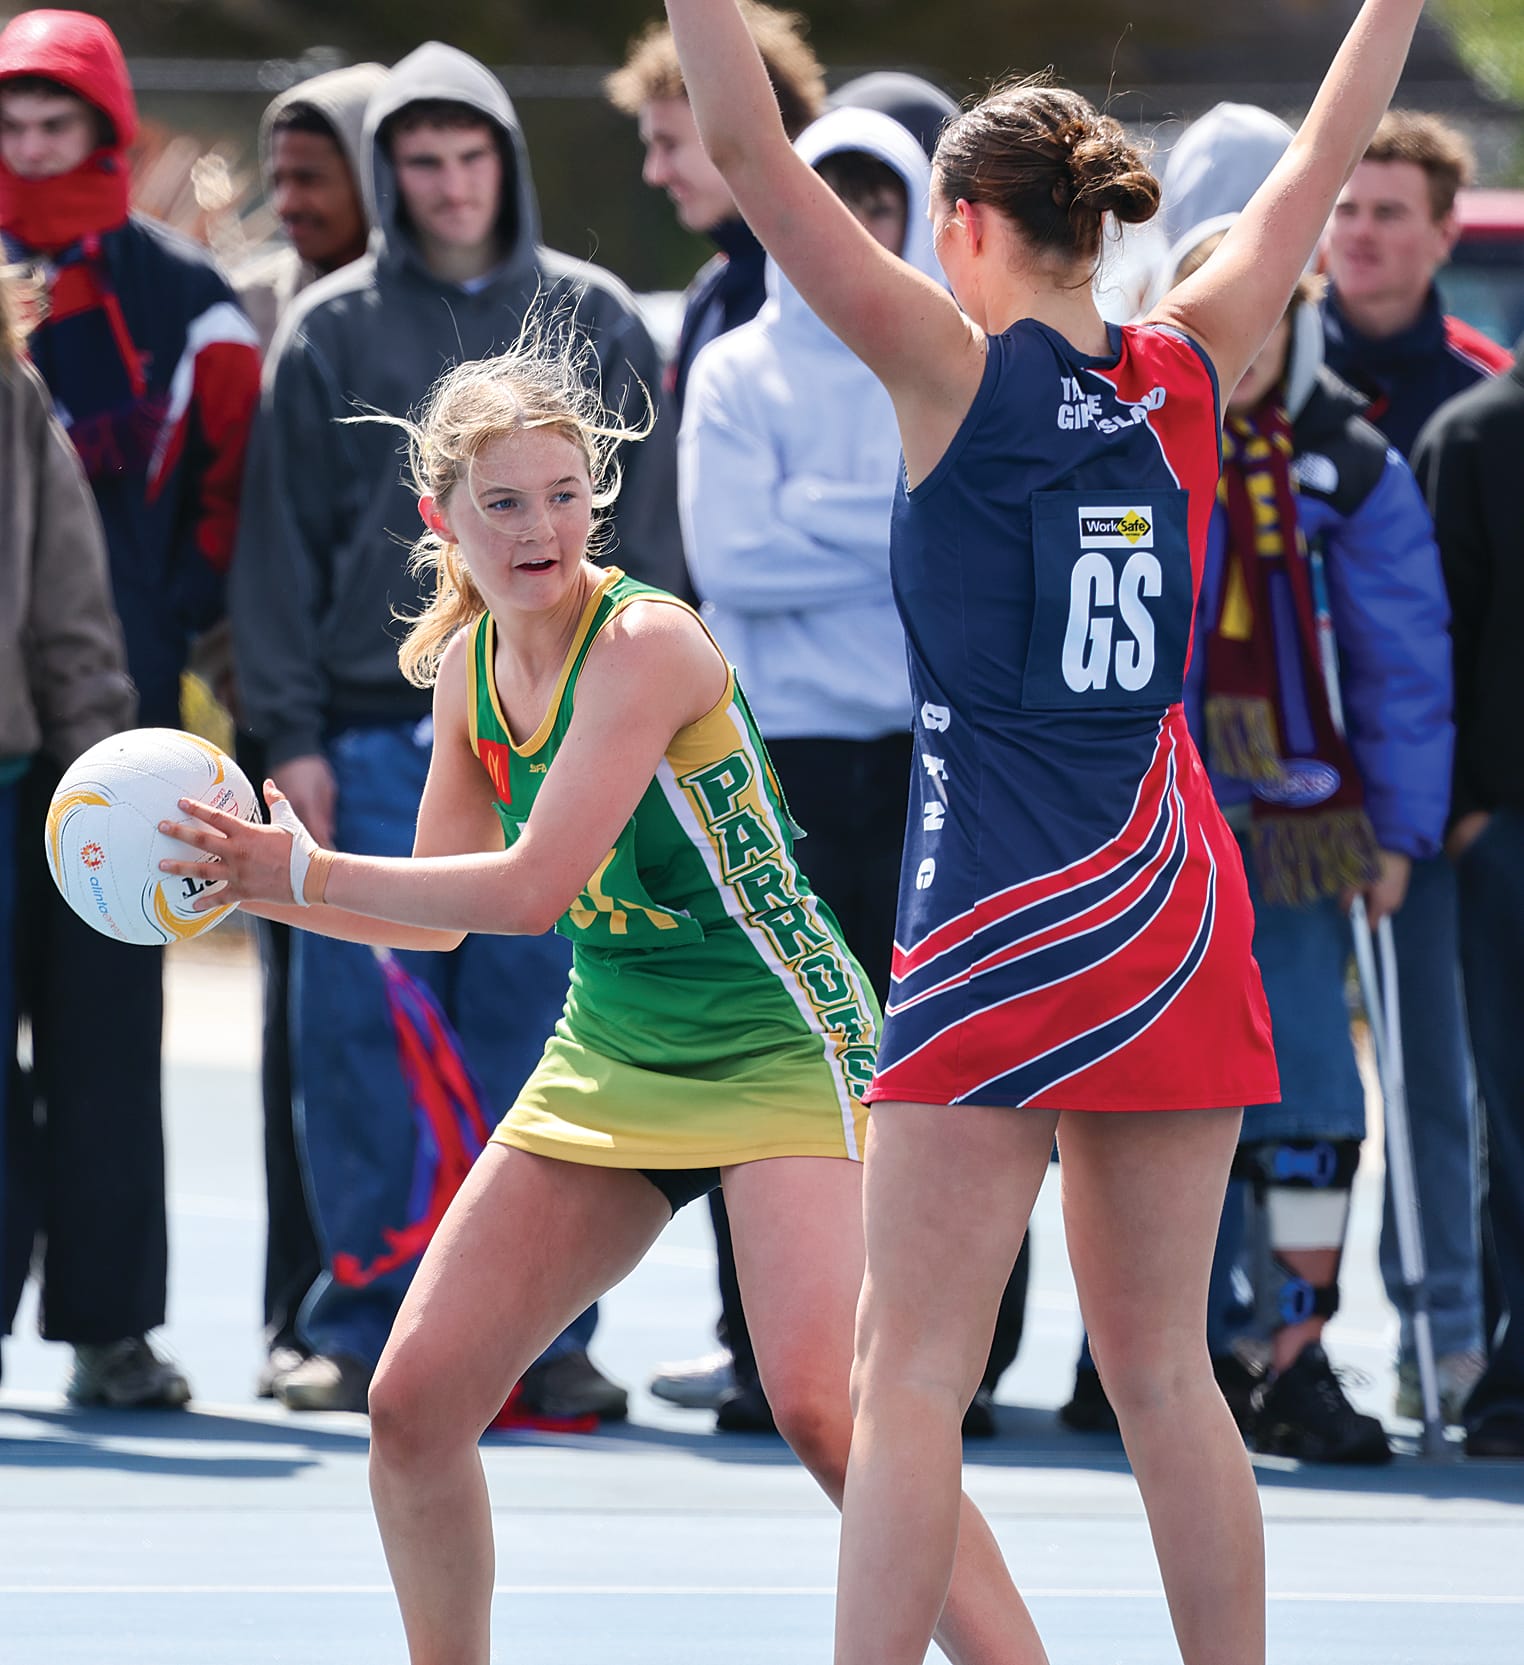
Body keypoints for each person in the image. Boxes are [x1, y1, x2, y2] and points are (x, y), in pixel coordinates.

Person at [663, 0, 1427, 1659]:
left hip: (998, 917)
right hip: (1163, 912)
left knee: (909, 1377)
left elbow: (737, 142)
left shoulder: (942, 367)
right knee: (1164, 1373)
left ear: (958, 224)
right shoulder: (1188, 365)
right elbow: (1317, 151)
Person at [164, 338, 1045, 1665]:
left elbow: (527, 890)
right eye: (505, 502)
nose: (542, 528)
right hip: (619, 1037)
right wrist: (255, 886)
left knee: (824, 1411)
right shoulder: (468, 672)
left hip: (783, 1035)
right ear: (441, 520)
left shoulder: (643, 645)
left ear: (599, 498)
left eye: (566, 493)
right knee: (410, 1407)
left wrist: (305, 866)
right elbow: (443, 916)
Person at [230, 42, 683, 1418]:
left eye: (469, 155)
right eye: (418, 162)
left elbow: (651, 551)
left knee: (550, 1035)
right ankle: (363, 1316)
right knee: (360, 1046)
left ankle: (545, 1336)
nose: (446, 184)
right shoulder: (327, 330)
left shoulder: (596, 312)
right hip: (364, 735)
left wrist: (628, 735)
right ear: (388, 174)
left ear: (510, 162)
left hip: (561, 736)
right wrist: (288, 733)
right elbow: (272, 556)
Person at [679, 103, 1027, 1434]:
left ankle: (964, 1366)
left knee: (944, 1062)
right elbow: (734, 562)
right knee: (785, 1053)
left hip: (944, 756)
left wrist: (832, 526)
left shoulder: (954, 358)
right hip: (785, 768)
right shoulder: (734, 371)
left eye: (882, 203)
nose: (858, 229)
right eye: (836, 198)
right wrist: (889, 529)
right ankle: (772, 1354)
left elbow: (975, 563)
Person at [0, 9, 261, 1408]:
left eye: (57, 128)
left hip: (126, 724)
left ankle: (113, 1330)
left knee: (107, 1035)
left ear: (108, 135)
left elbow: (226, 487)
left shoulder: (181, 295)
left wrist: (200, 664)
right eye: (12, 129)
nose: (32, 153)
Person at [609, 2, 825, 1429]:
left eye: (674, 131)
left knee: (794, 1031)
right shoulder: (709, 293)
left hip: (797, 732)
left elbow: (811, 538)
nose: (655, 163)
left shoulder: (815, 286)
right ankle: (755, 1330)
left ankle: (801, 1346)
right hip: (706, 717)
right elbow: (721, 540)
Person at [1320, 108, 1502, 1420]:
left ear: (1445, 232)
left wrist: (1454, 804)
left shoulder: (1483, 396)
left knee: (1432, 1075)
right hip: (1264, 783)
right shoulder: (1261, 373)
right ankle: (1271, 1335)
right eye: (1346, 207)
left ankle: (1440, 1324)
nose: (1362, 234)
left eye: (1391, 211)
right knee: (1281, 1071)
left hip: (1420, 802)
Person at [233, 59, 388, 1403]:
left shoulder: (390, 316)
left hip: (430, 726)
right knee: (315, 1048)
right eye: (275, 175)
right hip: (315, 735)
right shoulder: (272, 315)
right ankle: (313, 1307)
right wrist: (282, 728)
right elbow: (262, 556)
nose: (288, 199)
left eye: (312, 173)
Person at [0, 265, 139, 1385]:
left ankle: (101, 1329)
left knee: (74, 1067)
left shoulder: (10, 388)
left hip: (16, 774)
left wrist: (103, 769)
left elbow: (65, 592)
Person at [1413, 354, 1524, 1458]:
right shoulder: (1478, 435)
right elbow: (1430, 644)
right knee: (1519, 1123)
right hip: (1511, 840)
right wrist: (1468, 816)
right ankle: (1517, 1381)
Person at [237, 61, 387, 352]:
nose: (284, 205)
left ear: (373, 177)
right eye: (277, 180)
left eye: (309, 179)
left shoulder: (447, 309)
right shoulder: (247, 308)